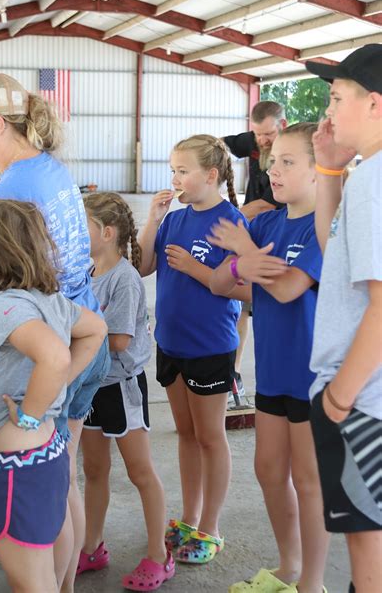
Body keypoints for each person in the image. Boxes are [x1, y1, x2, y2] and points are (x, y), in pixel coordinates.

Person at [0, 72, 110, 591]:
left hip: (42, 349)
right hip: (79, 329)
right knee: (60, 476)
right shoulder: (50, 168)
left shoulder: (6, 195)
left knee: (43, 482)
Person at [0, 199, 106, 593]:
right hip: (44, 454)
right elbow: (94, 329)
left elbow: (53, 356)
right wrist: (58, 386)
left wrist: (30, 414)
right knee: (42, 568)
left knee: (29, 582)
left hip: (14, 464)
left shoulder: (7, 305)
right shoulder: (47, 299)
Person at [209, 123, 330, 593]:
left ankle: (313, 584)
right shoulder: (265, 224)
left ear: (320, 171)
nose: (272, 170)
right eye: (271, 159)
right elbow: (221, 285)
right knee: (268, 470)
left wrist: (243, 254)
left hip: (313, 377)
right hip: (274, 373)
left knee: (309, 479)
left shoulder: (325, 227)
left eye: (287, 162)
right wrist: (242, 263)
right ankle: (289, 564)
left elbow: (286, 288)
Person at [139, 134, 246, 565]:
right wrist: (153, 218)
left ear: (211, 175)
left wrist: (195, 268)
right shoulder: (175, 219)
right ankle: (190, 515)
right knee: (185, 434)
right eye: (173, 170)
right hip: (171, 341)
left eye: (183, 170)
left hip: (210, 345)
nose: (176, 178)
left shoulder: (232, 222)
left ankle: (212, 527)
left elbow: (240, 287)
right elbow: (143, 266)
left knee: (210, 436)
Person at [304, 44, 382, 593]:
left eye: (336, 98)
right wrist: (329, 170)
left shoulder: (375, 181)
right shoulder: (363, 177)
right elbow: (340, 259)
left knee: (369, 554)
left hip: (365, 400)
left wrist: (339, 398)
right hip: (368, 395)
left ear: (375, 104)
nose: (328, 113)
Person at [79, 192, 174, 591]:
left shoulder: (124, 277)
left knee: (140, 472)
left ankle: (159, 554)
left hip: (120, 389)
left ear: (107, 231)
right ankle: (92, 546)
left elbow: (118, 340)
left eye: (82, 226)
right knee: (94, 471)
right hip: (90, 386)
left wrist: (71, 335)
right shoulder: (87, 270)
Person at [223, 101, 286, 395]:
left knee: (270, 304)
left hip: (278, 234)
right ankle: (233, 372)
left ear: (282, 126)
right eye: (257, 134)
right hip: (252, 233)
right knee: (242, 309)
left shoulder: (289, 154)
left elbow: (265, 204)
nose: (262, 141)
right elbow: (217, 145)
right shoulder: (252, 140)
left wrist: (228, 215)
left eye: (268, 135)